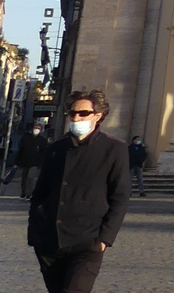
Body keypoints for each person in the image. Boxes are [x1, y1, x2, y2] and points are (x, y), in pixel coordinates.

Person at [28, 90, 130, 293]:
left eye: (83, 113)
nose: (76, 117)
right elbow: (40, 191)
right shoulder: (56, 148)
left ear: (98, 115)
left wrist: (104, 239)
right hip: (49, 240)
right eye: (72, 113)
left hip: (87, 241)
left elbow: (119, 196)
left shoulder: (114, 149)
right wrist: (36, 225)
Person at [14, 121, 46, 199]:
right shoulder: (26, 137)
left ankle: (29, 193)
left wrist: (42, 162)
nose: (36, 129)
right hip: (24, 161)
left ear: (41, 130)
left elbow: (44, 152)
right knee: (24, 178)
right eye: (36, 128)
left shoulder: (42, 140)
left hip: (35, 162)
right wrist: (16, 161)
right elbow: (20, 149)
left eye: (38, 128)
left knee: (30, 177)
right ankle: (23, 192)